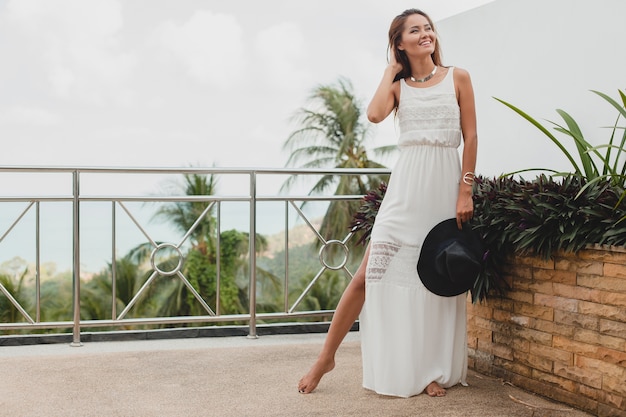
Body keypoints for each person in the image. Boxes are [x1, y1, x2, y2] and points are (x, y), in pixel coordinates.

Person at [297, 8, 478, 398]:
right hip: (405, 191)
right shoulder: (399, 87)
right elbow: (375, 114)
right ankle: (325, 357)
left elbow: (472, 135)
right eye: (415, 30)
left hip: (444, 189)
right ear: (400, 43)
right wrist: (389, 71)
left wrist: (466, 189)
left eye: (428, 27)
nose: (426, 33)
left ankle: (428, 370)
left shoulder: (458, 78)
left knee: (432, 280)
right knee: (369, 274)